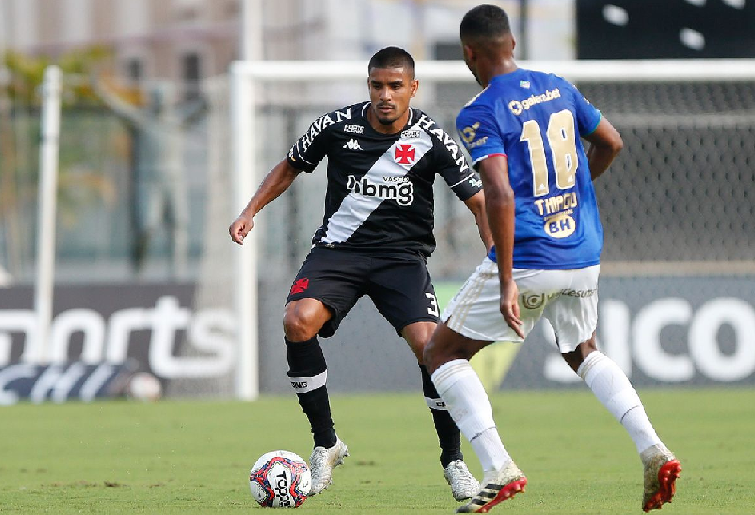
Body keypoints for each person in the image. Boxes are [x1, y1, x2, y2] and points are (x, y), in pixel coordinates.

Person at [423, 5, 681, 514]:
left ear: (469, 54)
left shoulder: (478, 111)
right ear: (513, 43)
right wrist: (575, 190)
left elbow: (497, 192)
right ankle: (653, 448)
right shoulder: (558, 86)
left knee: (441, 353)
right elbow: (611, 141)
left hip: (531, 256)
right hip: (582, 251)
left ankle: (497, 466)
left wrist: (505, 280)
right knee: (583, 350)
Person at [230, 46, 492, 500]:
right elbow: (290, 165)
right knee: (296, 321)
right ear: (367, 85)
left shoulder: (431, 138)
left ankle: (453, 461)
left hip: (402, 259)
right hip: (339, 253)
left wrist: (497, 261)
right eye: (377, 85)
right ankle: (326, 443)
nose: (385, 95)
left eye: (395, 86)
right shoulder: (336, 126)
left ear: (413, 88)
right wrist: (251, 209)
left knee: (431, 348)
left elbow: (478, 202)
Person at [94, 74, 206, 277]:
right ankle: (138, 271)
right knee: (146, 227)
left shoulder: (177, 120)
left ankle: (177, 274)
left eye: (164, 97)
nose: (160, 100)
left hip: (173, 179)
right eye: (157, 96)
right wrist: (101, 91)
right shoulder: (142, 120)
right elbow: (117, 107)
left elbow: (202, 107)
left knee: (178, 225)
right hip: (148, 180)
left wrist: (215, 91)